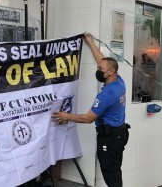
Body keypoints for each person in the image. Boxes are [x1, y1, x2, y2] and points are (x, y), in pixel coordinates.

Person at [52, 32, 129, 187]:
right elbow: (102, 59)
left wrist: (66, 115)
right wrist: (90, 42)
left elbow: (88, 118)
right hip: (120, 134)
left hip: (110, 137)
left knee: (110, 172)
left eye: (100, 69)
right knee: (115, 170)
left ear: (110, 72)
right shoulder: (119, 82)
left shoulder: (108, 94)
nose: (98, 69)